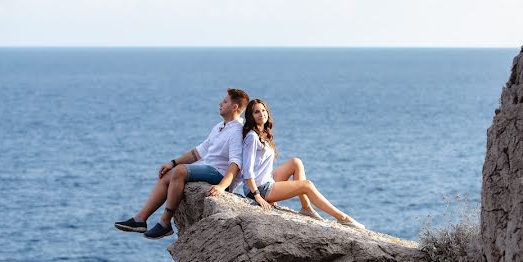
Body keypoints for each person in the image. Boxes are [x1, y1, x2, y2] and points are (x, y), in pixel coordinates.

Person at [114, 88, 249, 239]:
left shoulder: (237, 131)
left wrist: (222, 186)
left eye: (224, 102)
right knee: (168, 175)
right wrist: (172, 163)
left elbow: (236, 163)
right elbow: (197, 152)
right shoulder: (219, 126)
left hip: (220, 174)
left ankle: (165, 222)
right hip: (209, 167)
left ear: (234, 107)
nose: (220, 103)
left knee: (180, 171)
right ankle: (140, 219)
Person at [239, 98, 364, 228]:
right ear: (251, 116)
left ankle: (306, 208)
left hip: (267, 181)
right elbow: (247, 170)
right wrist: (257, 196)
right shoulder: (252, 137)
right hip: (258, 189)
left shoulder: (263, 134)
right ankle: (343, 218)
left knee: (296, 162)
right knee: (307, 185)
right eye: (256, 112)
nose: (261, 114)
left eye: (263, 110)